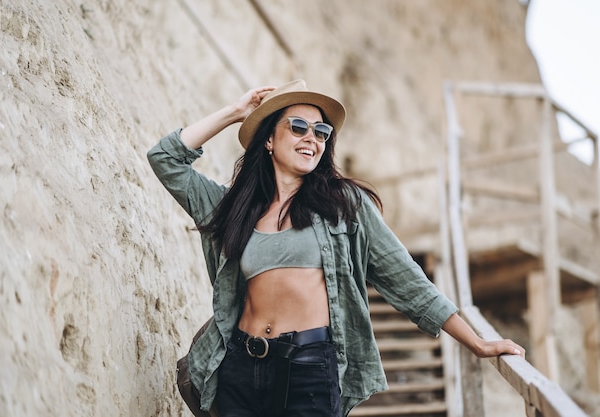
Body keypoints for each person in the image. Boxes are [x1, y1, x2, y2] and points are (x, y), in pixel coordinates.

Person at [147, 79, 525, 417]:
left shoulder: (345, 205)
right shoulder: (234, 209)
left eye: (321, 131)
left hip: (310, 367)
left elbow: (407, 280)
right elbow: (166, 159)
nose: (311, 138)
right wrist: (236, 113)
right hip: (241, 366)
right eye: (297, 127)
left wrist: (477, 342)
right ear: (268, 139)